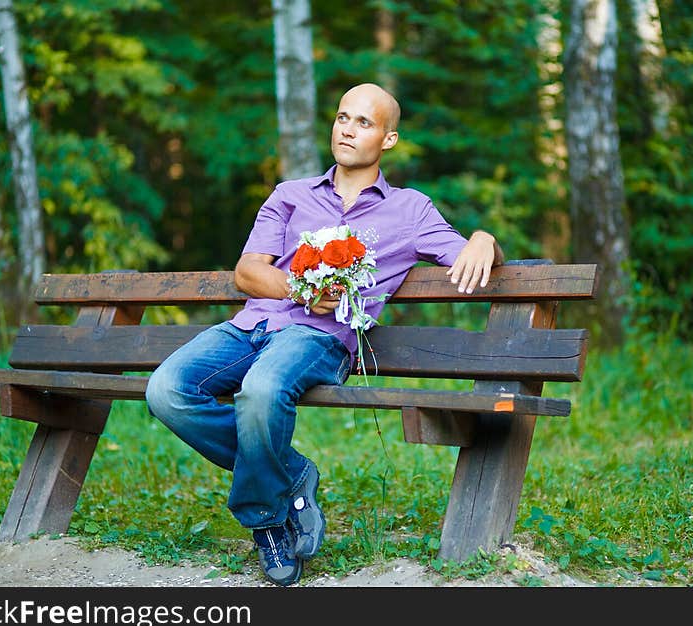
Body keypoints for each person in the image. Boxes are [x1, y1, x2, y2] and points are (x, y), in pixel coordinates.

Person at [145, 83, 504, 586]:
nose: (348, 130)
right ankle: (291, 476)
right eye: (342, 118)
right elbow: (248, 273)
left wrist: (485, 238)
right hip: (253, 324)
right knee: (166, 390)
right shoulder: (290, 195)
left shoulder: (410, 211)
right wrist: (300, 289)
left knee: (262, 391)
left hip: (319, 339)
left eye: (363, 122)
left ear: (389, 139)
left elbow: (467, 251)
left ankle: (266, 523)